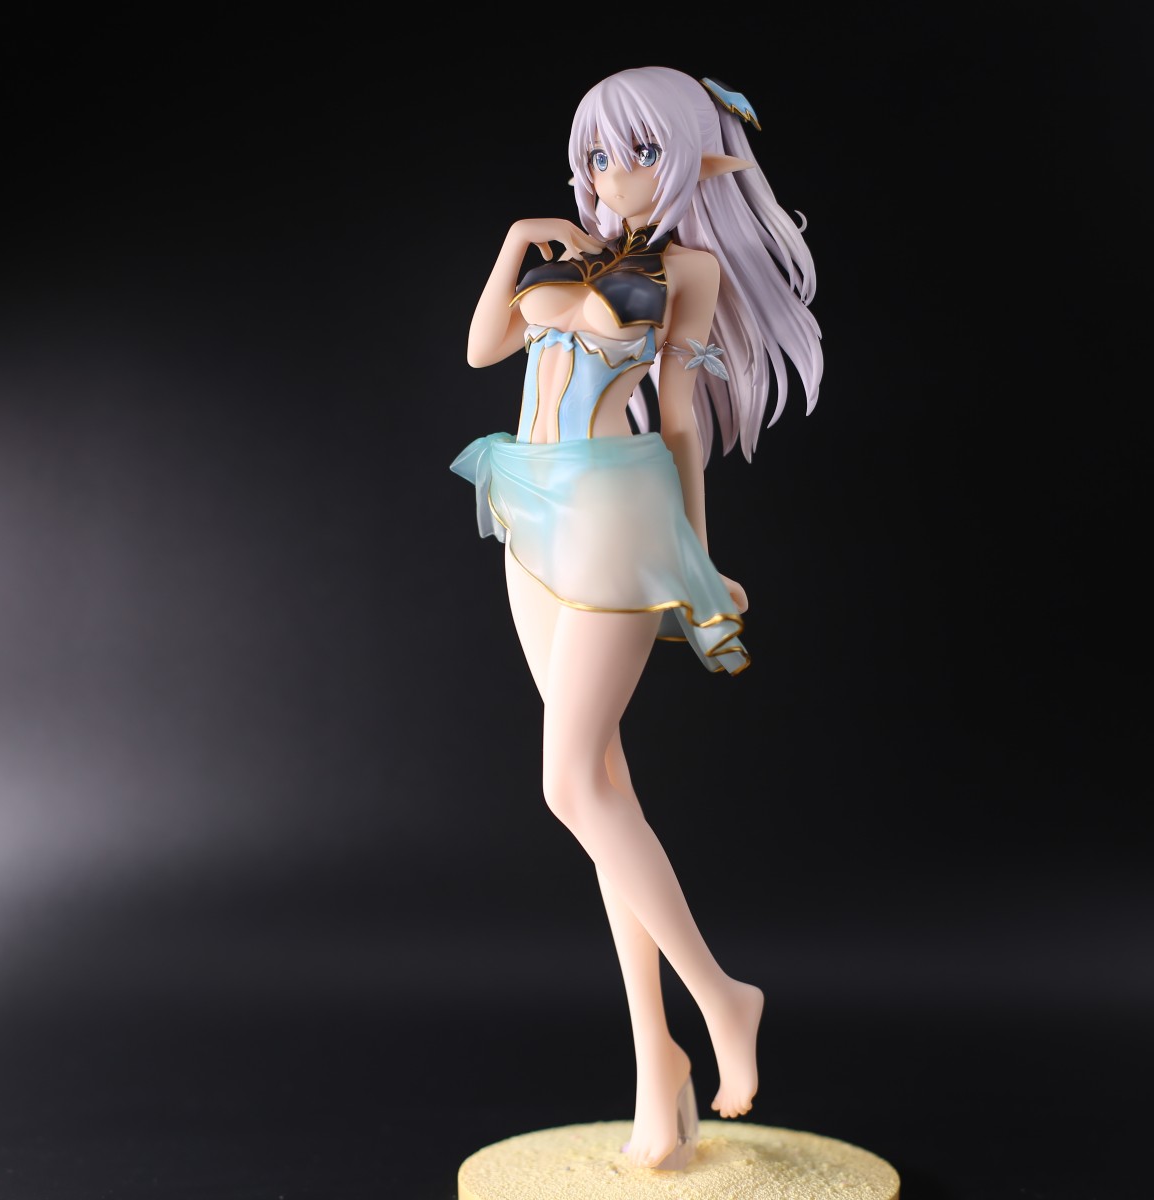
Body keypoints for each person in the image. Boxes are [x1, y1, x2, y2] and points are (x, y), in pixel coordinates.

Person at [450, 65, 822, 1171]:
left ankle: (721, 995)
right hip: (528, 511)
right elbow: (482, 350)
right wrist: (517, 242)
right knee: (607, 791)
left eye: (642, 151)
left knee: (571, 785)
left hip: (616, 511)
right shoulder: (566, 255)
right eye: (600, 154)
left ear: (700, 156)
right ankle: (658, 1068)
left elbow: (683, 425)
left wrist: (698, 556)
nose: (615, 173)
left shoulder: (688, 268)